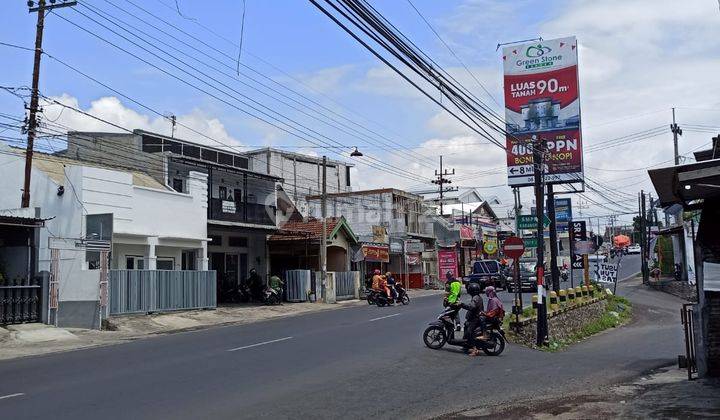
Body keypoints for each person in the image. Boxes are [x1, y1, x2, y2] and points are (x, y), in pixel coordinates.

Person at [460, 282, 484, 356]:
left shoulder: (475, 298)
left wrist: (462, 305)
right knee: (466, 326)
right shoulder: (477, 297)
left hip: (475, 318)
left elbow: (472, 307)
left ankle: (474, 349)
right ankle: (466, 345)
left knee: (470, 332)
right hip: (474, 317)